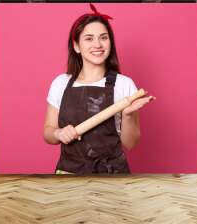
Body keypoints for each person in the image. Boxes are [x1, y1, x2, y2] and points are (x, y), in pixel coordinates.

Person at [43, 4, 155, 174]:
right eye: (89, 38)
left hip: (112, 174)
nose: (98, 44)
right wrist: (58, 133)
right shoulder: (61, 83)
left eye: (103, 37)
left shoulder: (124, 84)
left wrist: (127, 114)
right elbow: (48, 133)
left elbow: (131, 144)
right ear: (76, 46)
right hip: (69, 172)